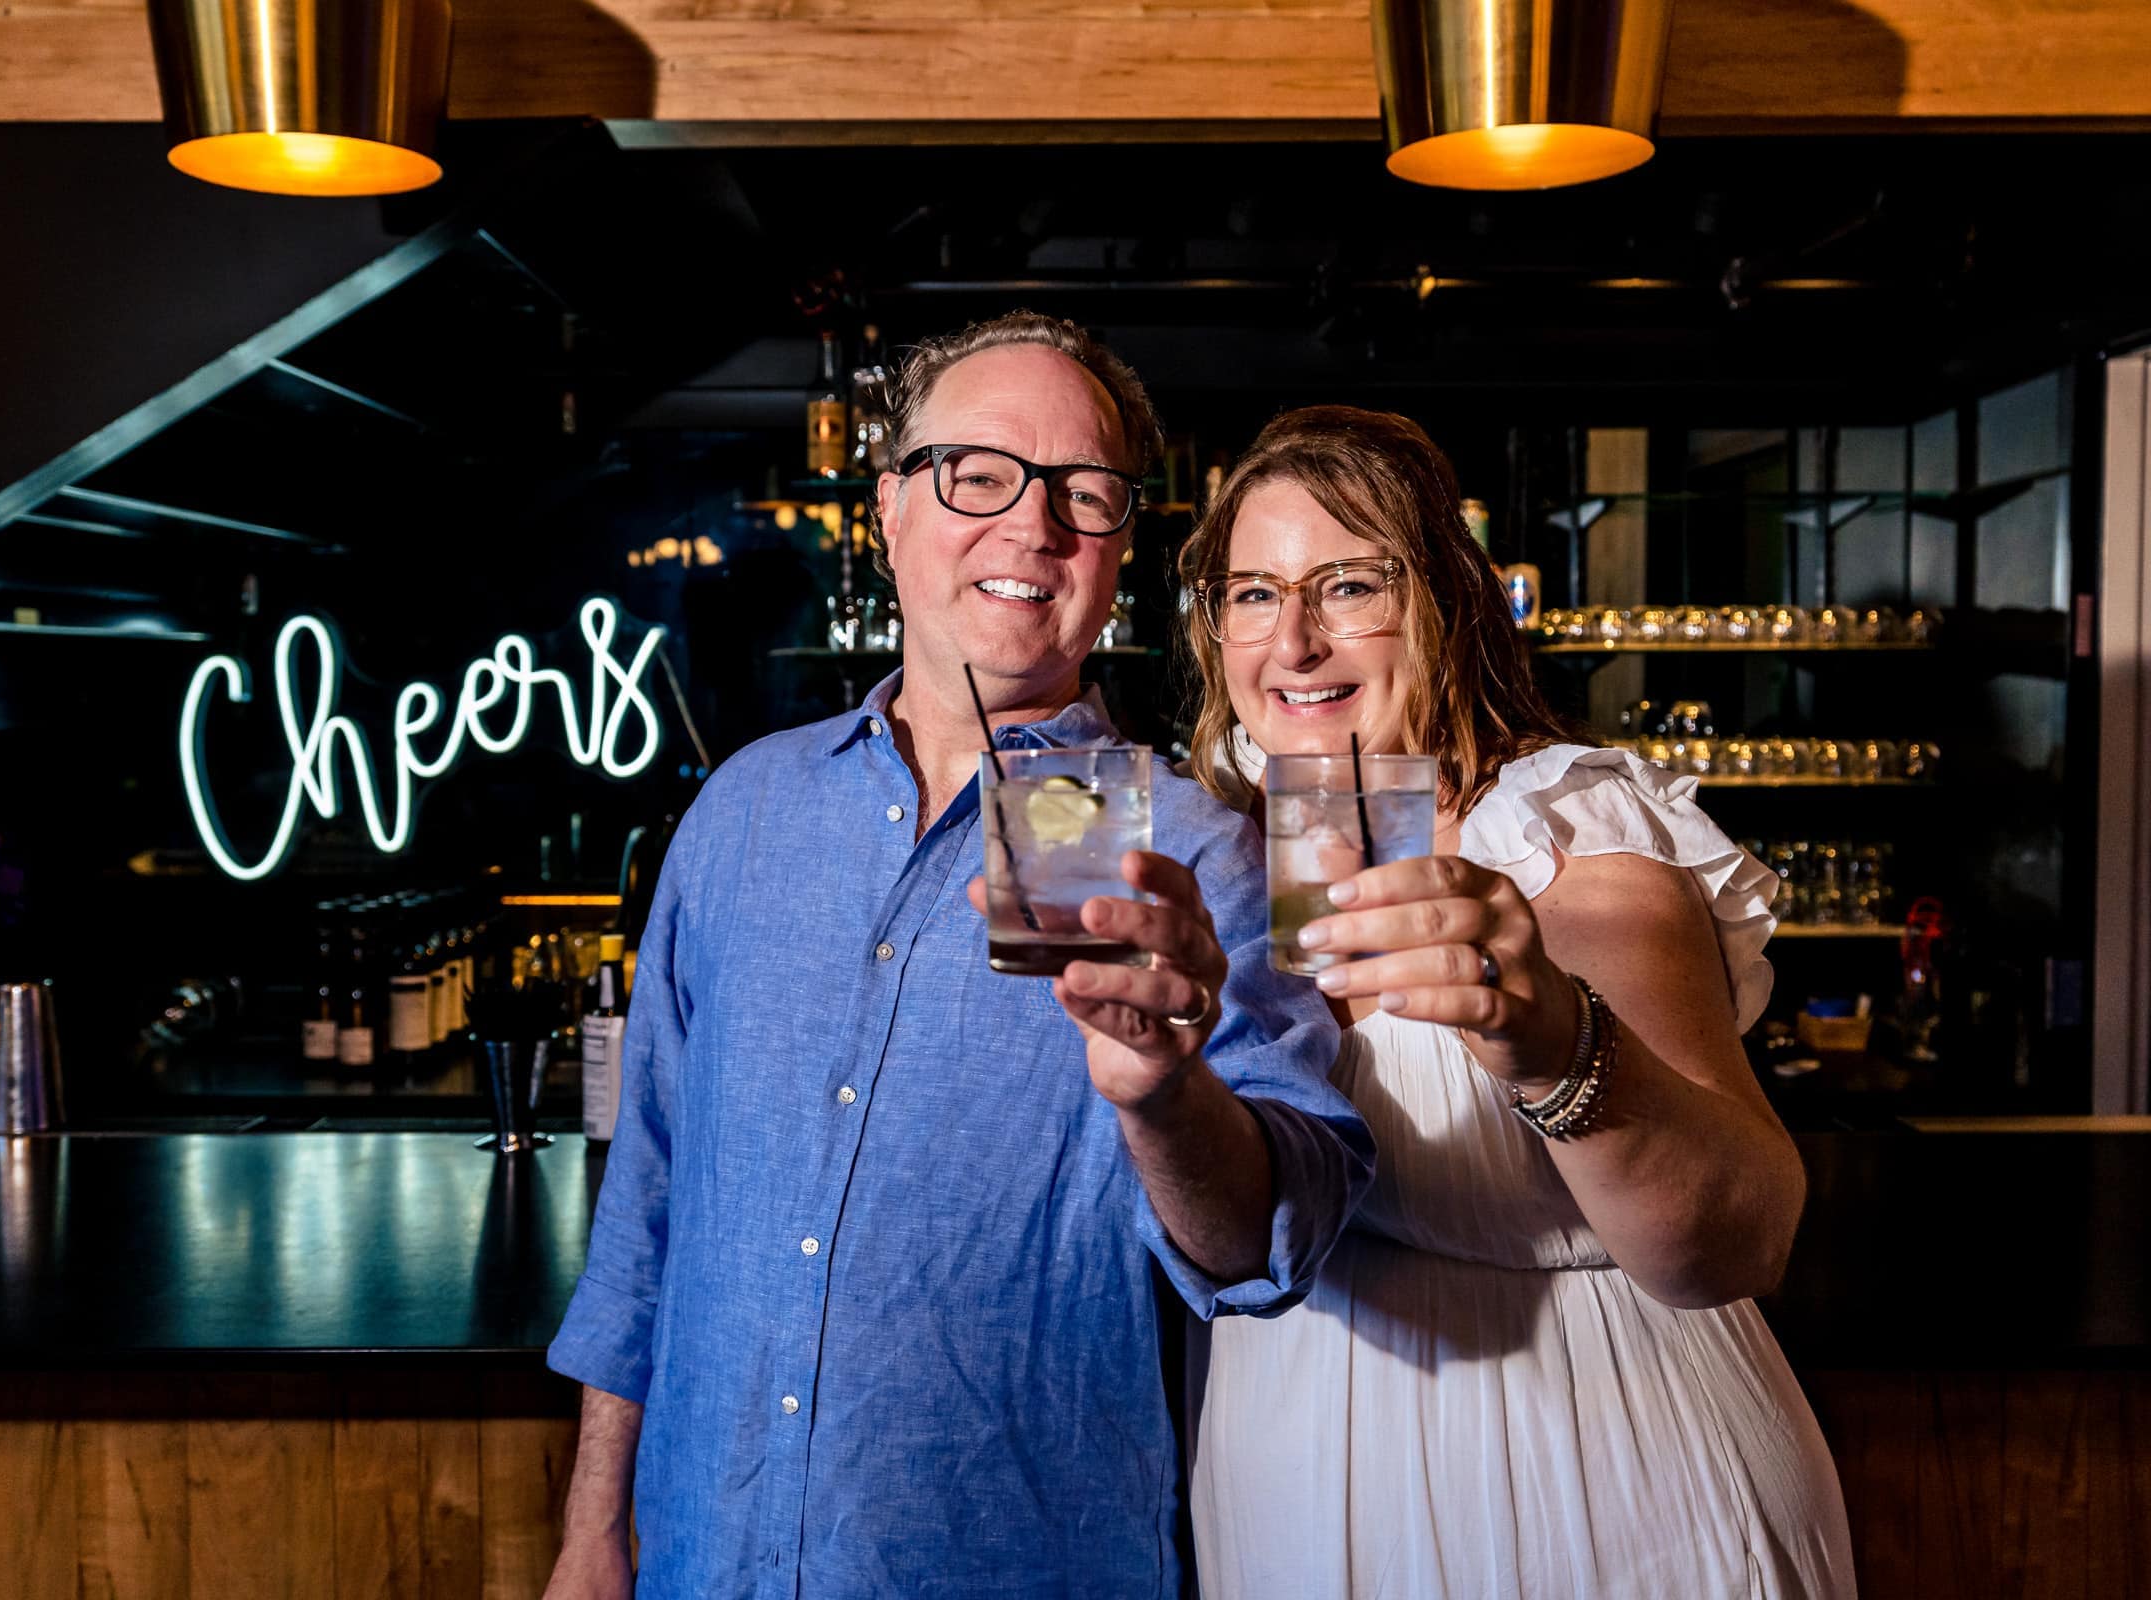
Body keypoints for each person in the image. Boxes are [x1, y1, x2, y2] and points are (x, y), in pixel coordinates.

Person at [542, 316, 1373, 1599]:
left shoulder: (1195, 855)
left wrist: (1164, 1094)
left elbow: (1277, 1237)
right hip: (702, 1562)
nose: (1030, 527)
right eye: (975, 473)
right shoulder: (744, 812)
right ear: (888, 506)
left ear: (1119, 547)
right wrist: (593, 1533)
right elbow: (646, 1199)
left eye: (1081, 492)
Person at [1178, 407, 1856, 1599]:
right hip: (1293, 1463)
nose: (1290, 640)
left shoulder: (1564, 838)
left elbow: (1750, 1235)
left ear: (1444, 601)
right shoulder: (1224, 847)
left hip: (1586, 1471)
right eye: (1251, 593)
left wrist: (1549, 1036)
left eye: (1346, 586)